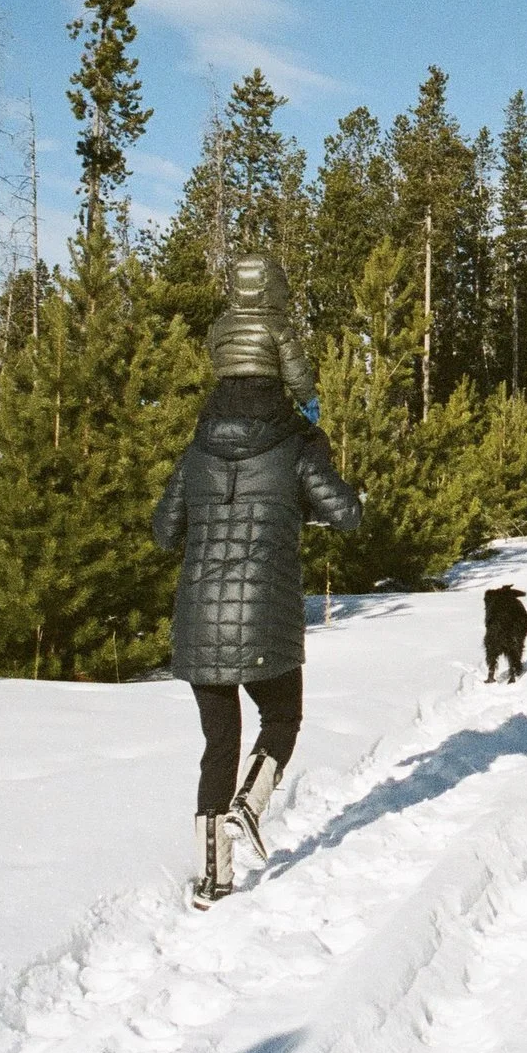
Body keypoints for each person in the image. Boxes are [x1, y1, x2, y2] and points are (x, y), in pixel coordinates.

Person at [152, 356, 362, 909]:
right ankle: (249, 804)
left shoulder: (196, 450)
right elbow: (348, 515)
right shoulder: (293, 444)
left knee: (218, 744)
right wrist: (301, 491)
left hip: (199, 620)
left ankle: (211, 879)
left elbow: (162, 531)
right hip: (264, 615)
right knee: (283, 716)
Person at [207, 252, 318, 413]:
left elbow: (213, 356)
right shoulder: (278, 326)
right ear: (276, 287)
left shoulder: (221, 325)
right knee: (309, 437)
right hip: (265, 397)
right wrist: (308, 400)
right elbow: (295, 373)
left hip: (223, 398)